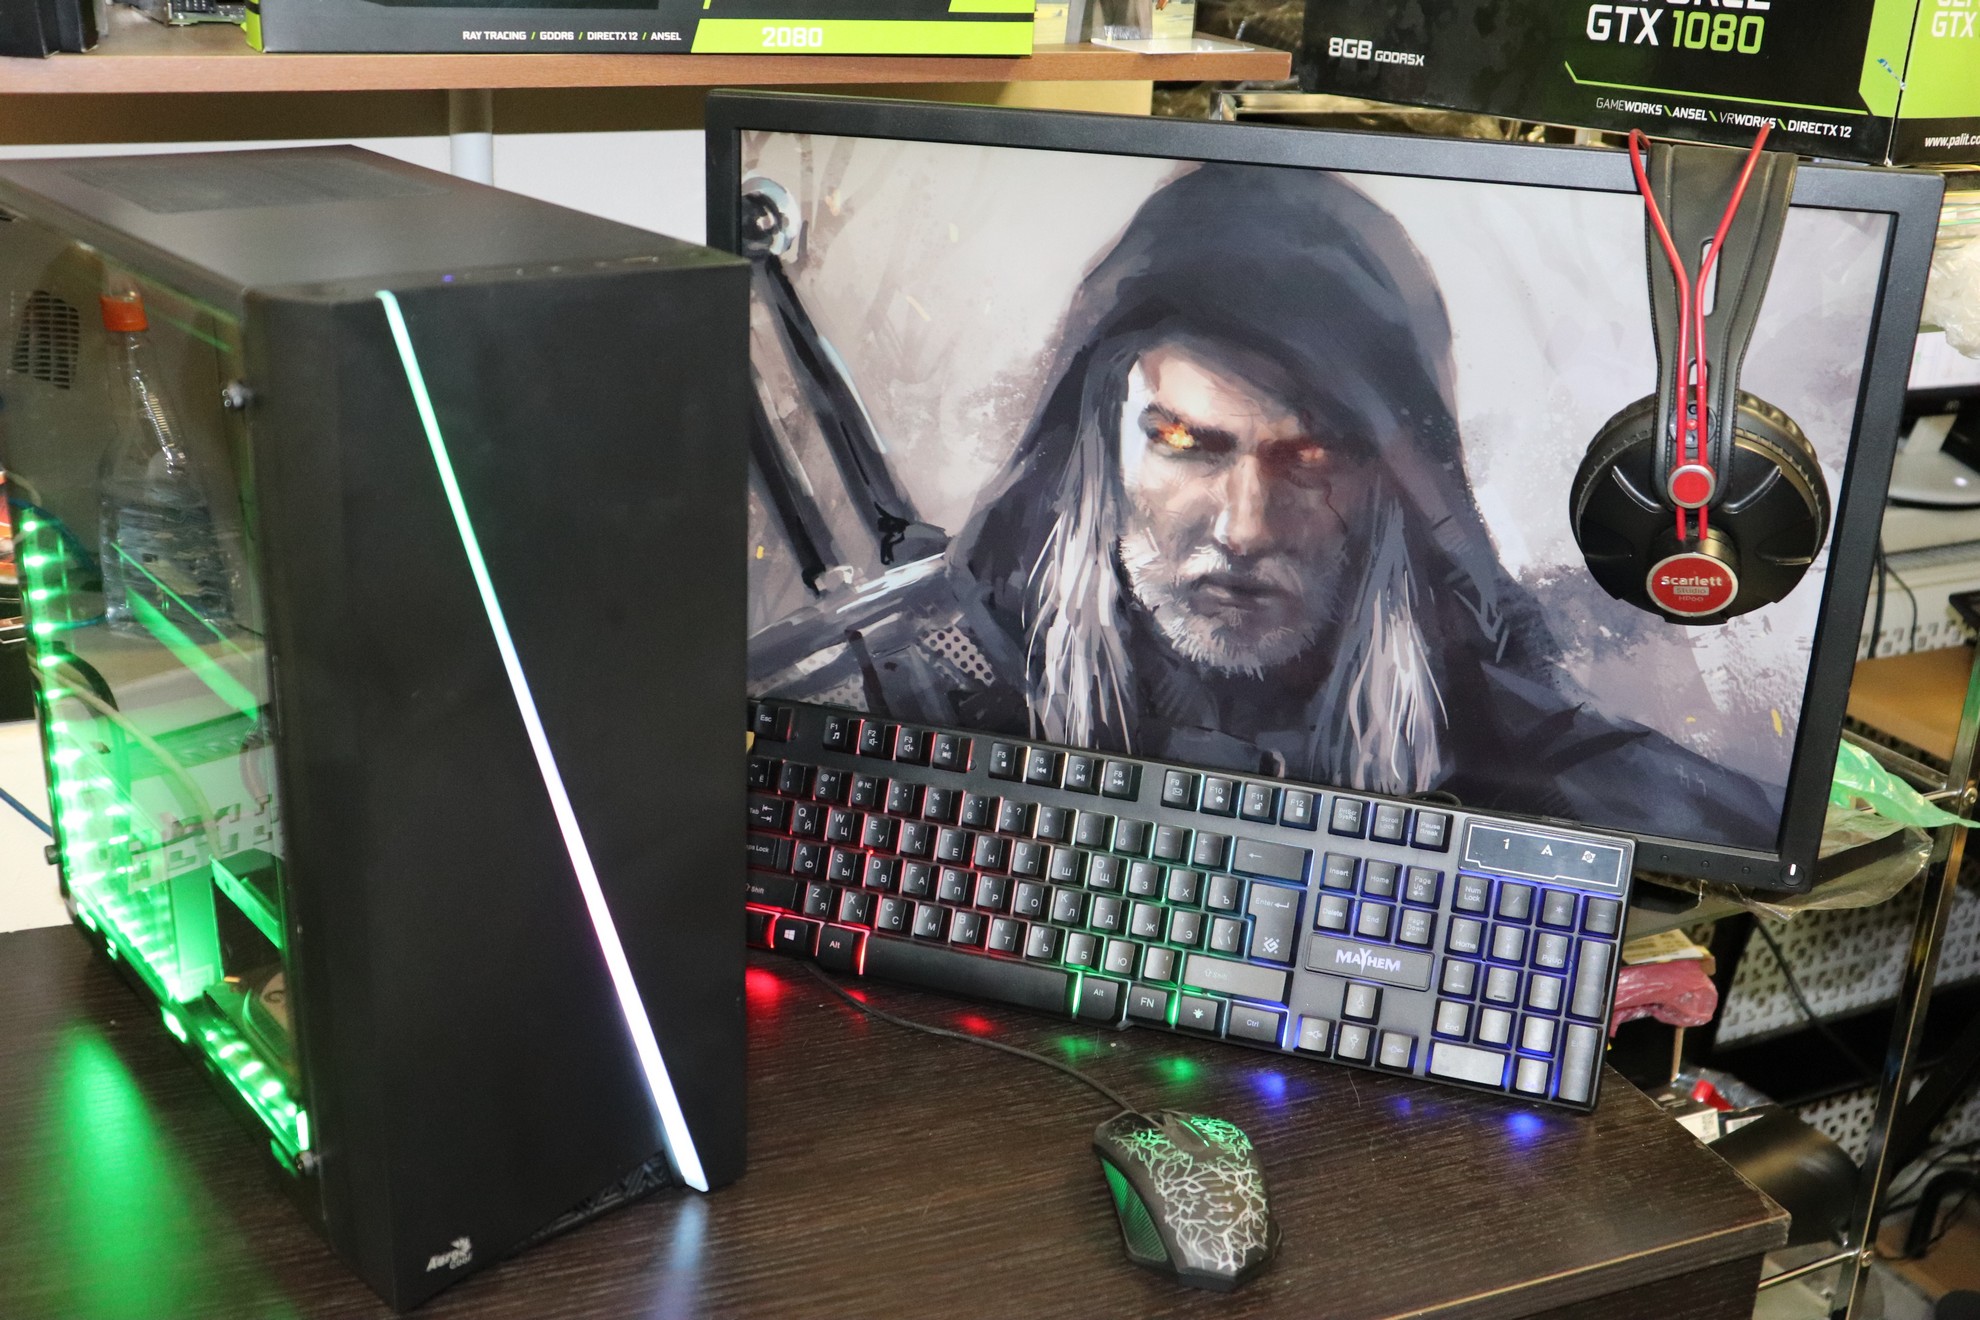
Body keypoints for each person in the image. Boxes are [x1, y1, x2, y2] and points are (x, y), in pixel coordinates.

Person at [753, 162, 1779, 846]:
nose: (1244, 527)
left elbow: (1706, 824)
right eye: (1183, 444)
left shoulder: (1494, 730)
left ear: (1392, 480)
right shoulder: (914, 684)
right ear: (1096, 442)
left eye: (1311, 458)